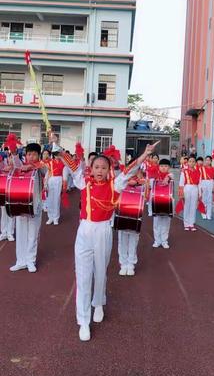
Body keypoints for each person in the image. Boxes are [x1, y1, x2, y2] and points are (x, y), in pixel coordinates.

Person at [60, 142, 156, 341]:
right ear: (91, 169)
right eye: (96, 167)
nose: (100, 171)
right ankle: (83, 321)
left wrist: (145, 154)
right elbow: (72, 165)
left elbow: (130, 170)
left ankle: (98, 303)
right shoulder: (83, 182)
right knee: (83, 275)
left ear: (109, 170)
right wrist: (59, 150)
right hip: (84, 230)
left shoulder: (116, 184)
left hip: (103, 230)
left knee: (100, 271)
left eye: (104, 168)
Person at [9, 142, 46, 273]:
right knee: (21, 233)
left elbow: (43, 169)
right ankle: (20, 261)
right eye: (28, 154)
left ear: (39, 155)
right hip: (21, 203)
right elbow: (18, 164)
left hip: (35, 204)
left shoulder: (41, 166)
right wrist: (14, 154)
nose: (30, 156)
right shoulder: (22, 165)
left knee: (33, 234)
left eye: (34, 154)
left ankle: (30, 260)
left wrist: (31, 166)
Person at [117, 169, 147, 276]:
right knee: (122, 240)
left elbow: (147, 196)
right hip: (123, 215)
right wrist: (127, 182)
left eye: (137, 171)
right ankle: (123, 264)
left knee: (133, 241)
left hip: (135, 215)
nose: (134, 174)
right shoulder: (121, 181)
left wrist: (138, 182)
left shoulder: (143, 183)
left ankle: (131, 264)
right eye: (132, 171)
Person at [152, 158, 174, 248]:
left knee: (166, 222)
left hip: (167, 202)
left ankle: (164, 240)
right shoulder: (156, 176)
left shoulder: (170, 176)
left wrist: (167, 177)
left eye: (165, 166)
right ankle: (157, 240)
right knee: (156, 222)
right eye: (161, 166)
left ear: (169, 167)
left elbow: (171, 175)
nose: (163, 168)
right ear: (159, 167)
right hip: (156, 202)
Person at [178, 154, 200, 231]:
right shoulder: (184, 171)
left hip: (195, 188)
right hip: (187, 188)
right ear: (187, 163)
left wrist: (200, 193)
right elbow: (181, 183)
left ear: (195, 163)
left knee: (193, 206)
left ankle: (191, 223)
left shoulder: (198, 172)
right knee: (187, 205)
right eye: (190, 161)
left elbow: (199, 183)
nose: (191, 163)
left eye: (193, 161)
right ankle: (186, 223)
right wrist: (181, 193)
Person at [45, 152, 65, 225]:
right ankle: (50, 217)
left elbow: (65, 172)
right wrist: (46, 183)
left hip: (59, 179)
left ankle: (56, 218)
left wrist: (64, 183)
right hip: (51, 179)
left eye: (58, 154)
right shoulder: (50, 162)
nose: (57, 156)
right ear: (53, 155)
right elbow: (48, 173)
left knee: (56, 199)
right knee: (50, 199)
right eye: (56, 154)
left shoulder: (62, 163)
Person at [199, 155, 214, 220]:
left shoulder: (213, 169)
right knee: (204, 199)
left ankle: (209, 214)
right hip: (204, 183)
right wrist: (200, 187)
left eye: (209, 160)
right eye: (206, 160)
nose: (207, 161)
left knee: (209, 199)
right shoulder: (202, 168)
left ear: (211, 161)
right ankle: (203, 213)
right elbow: (200, 178)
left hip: (210, 183)